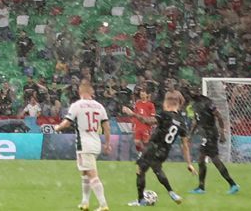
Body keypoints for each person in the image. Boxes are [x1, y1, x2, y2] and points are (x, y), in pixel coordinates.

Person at [123, 90, 191, 206]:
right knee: (157, 169)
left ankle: (141, 201)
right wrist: (189, 163)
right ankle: (172, 193)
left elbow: (148, 121)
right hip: (164, 151)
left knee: (140, 170)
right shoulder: (182, 122)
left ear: (168, 103)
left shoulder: (165, 115)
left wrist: (133, 114)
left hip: (153, 147)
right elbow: (185, 145)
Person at [57, 80, 110, 211]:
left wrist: (57, 127)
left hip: (84, 144)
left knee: (92, 174)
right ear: (91, 91)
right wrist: (107, 143)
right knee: (85, 172)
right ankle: (84, 202)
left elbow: (67, 123)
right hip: (95, 143)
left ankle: (103, 205)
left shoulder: (77, 105)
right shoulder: (99, 106)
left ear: (80, 91)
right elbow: (106, 127)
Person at [187, 90, 239, 195]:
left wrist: (222, 132)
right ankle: (201, 187)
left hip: (211, 134)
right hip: (206, 135)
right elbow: (196, 121)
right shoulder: (195, 105)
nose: (191, 95)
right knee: (201, 160)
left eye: (192, 93)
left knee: (214, 159)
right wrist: (190, 135)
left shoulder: (208, 102)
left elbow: (219, 116)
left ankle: (233, 184)